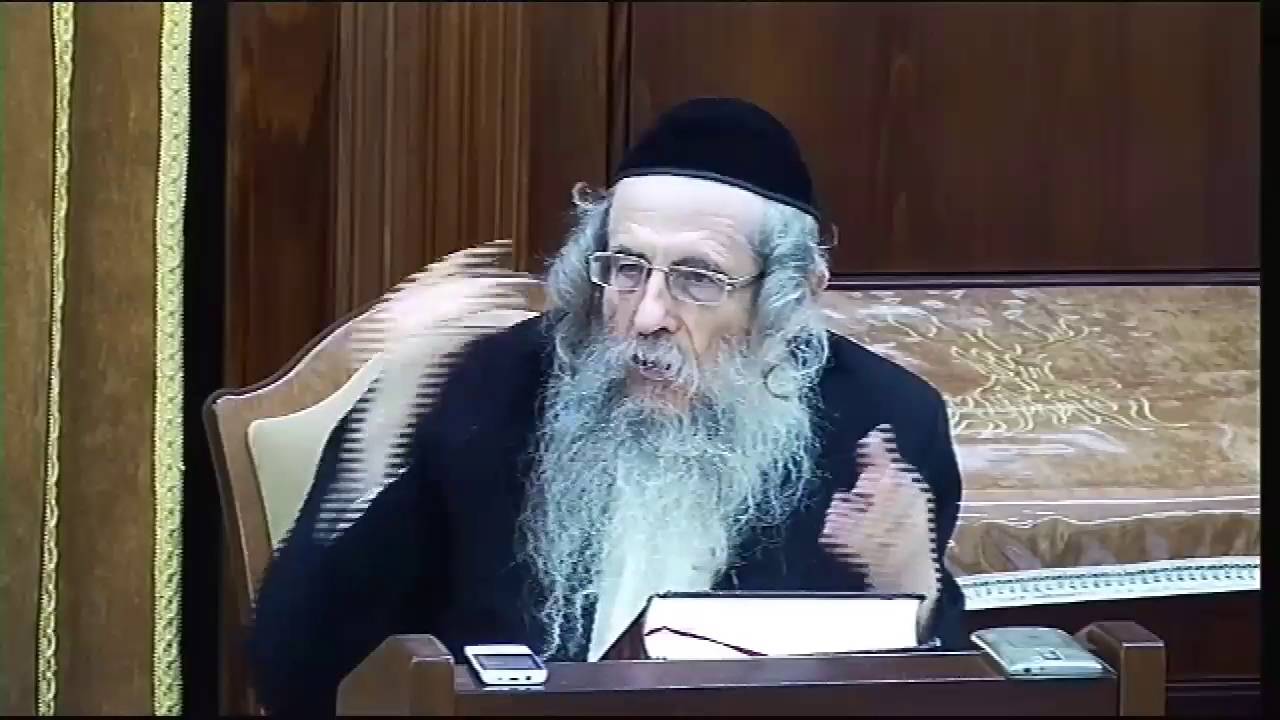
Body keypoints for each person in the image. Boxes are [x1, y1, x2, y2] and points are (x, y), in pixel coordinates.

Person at [247, 97, 966, 715]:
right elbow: (293, 677)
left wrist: (915, 593)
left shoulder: (883, 422)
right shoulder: (480, 390)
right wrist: (376, 443)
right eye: (626, 268)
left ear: (790, 297)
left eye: (698, 278)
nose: (647, 315)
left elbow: (947, 693)